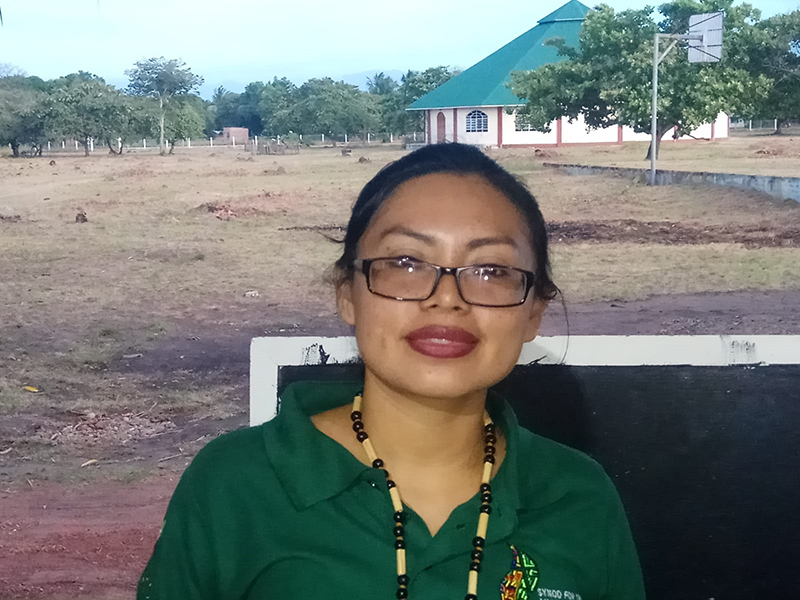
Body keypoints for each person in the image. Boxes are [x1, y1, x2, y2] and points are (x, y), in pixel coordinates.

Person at [137, 143, 645, 600]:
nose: (446, 299)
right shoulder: (234, 484)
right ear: (347, 293)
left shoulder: (579, 495)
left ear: (534, 310)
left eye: (491, 270)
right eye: (405, 262)